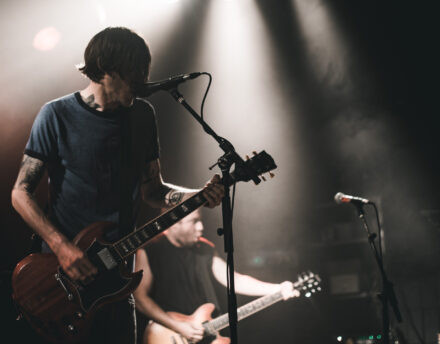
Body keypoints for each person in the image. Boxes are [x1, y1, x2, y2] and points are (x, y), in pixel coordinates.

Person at [11, 26, 225, 344]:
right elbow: (21, 192)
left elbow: (154, 191)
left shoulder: (142, 116)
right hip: (62, 276)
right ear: (106, 68)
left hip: (118, 281)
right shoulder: (56, 114)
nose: (142, 81)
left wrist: (198, 195)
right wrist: (62, 247)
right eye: (135, 72)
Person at [134, 209, 298, 344]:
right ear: (175, 224)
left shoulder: (205, 249)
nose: (201, 227)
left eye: (200, 220)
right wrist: (178, 327)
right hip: (169, 335)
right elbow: (140, 299)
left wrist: (278, 288)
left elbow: (236, 281)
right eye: (194, 221)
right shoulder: (149, 250)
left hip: (209, 334)